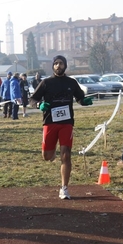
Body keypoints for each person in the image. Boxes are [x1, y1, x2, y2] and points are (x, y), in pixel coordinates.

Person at [29, 55, 93, 200]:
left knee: (66, 155)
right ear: (53, 66)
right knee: (47, 156)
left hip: (66, 122)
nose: (58, 66)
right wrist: (39, 105)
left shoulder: (71, 82)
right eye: (56, 63)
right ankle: (53, 154)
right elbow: (33, 99)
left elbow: (79, 97)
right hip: (50, 122)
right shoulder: (46, 83)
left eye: (61, 63)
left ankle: (64, 188)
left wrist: (84, 101)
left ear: (65, 66)